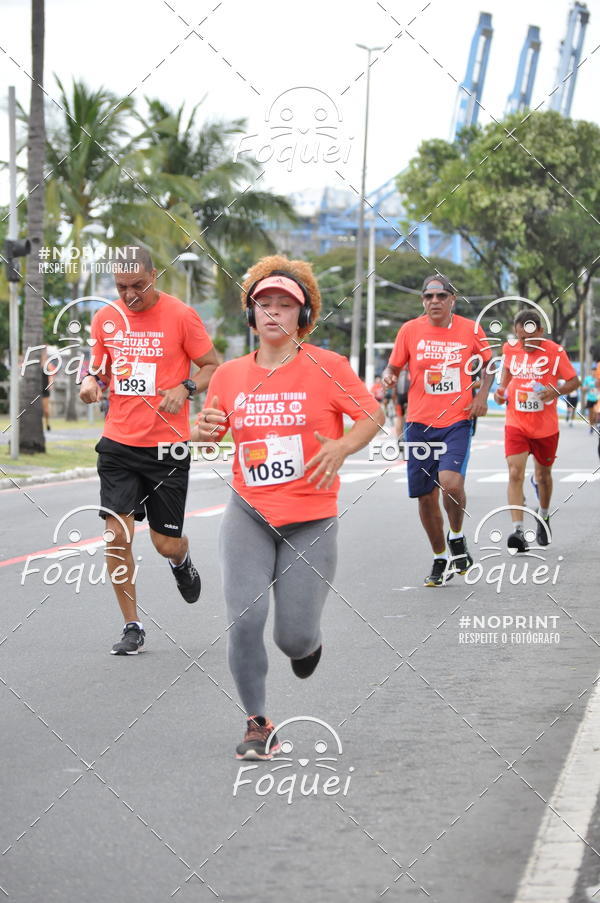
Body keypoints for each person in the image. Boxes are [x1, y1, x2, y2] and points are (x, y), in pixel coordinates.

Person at [191, 255, 384, 759]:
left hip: (311, 520)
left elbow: (371, 414)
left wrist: (342, 447)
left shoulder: (329, 367)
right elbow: (210, 435)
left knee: (293, 640)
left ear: (304, 316)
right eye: (264, 304)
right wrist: (202, 431)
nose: (274, 312)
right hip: (248, 514)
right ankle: (258, 722)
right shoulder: (229, 375)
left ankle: (308, 643)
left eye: (285, 305)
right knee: (245, 620)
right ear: (250, 316)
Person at [79, 247, 219, 655]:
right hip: (119, 443)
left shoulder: (181, 315)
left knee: (164, 543)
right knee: (115, 535)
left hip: (167, 449)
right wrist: (90, 382)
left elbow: (211, 364)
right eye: (122, 287)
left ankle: (181, 559)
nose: (130, 295)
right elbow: (98, 367)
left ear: (154, 277)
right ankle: (132, 626)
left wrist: (185, 387)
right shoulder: (106, 318)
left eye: (138, 286)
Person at [382, 275, 493, 586]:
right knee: (425, 498)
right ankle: (440, 556)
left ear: (452, 300)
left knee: (450, 484)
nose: (434, 301)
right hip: (419, 424)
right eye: (428, 296)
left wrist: (481, 396)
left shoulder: (470, 329)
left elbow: (489, 364)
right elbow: (394, 366)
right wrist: (388, 375)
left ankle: (456, 535)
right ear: (423, 301)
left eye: (441, 296)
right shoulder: (409, 330)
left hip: (457, 420)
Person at [493, 309, 579, 552]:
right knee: (514, 473)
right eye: (520, 338)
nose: (524, 344)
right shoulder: (510, 349)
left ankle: (543, 515)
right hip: (516, 423)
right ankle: (518, 532)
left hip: (545, 428)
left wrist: (555, 391)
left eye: (529, 338)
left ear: (540, 331)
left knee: (542, 476)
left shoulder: (555, 351)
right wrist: (501, 391)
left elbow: (574, 381)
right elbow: (507, 372)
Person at [582, 368, 598, 433]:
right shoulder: (587, 379)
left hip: (597, 399)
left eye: (595, 372)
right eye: (593, 372)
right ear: (591, 372)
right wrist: (587, 387)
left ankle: (594, 424)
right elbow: (583, 388)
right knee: (591, 414)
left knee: (595, 413)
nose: (594, 373)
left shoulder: (598, 379)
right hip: (590, 399)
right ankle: (591, 426)